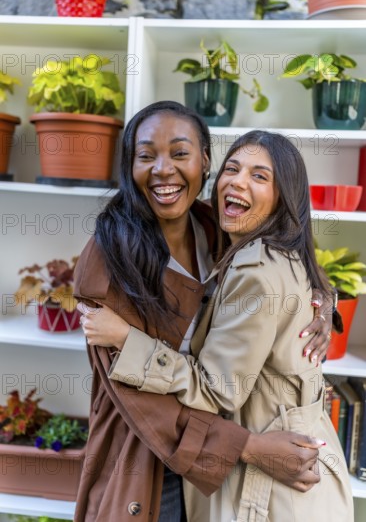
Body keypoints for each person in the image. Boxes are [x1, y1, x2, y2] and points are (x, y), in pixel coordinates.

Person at [74, 103, 334, 522]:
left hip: (217, 454)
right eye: (146, 156)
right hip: (147, 453)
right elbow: (139, 401)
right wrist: (248, 448)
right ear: (129, 164)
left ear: (205, 161)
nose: (163, 170)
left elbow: (291, 248)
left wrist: (323, 298)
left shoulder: (214, 225)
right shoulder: (108, 262)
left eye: (180, 153)